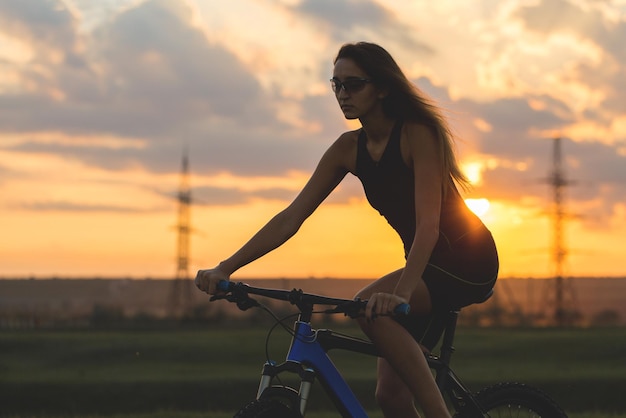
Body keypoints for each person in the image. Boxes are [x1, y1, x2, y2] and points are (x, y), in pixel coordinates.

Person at [195, 41, 498, 418]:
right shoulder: (346, 149)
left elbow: (428, 225)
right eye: (336, 85)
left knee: (366, 306)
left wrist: (401, 294)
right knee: (390, 397)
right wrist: (226, 267)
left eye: (353, 85)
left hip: (466, 261)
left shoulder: (417, 134)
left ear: (383, 88)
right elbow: (291, 218)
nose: (343, 94)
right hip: (422, 268)